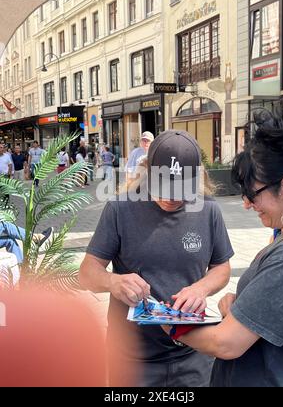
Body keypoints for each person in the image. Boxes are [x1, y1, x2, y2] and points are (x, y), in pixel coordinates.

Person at [79, 130, 234, 387]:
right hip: (131, 359)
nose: (171, 198)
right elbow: (87, 273)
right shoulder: (120, 209)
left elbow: (222, 267)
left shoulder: (208, 210)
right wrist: (113, 282)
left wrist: (201, 288)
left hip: (193, 353)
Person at [161, 107, 283, 387]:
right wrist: (238, 308)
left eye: (252, 193)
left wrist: (168, 322)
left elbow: (226, 343)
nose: (247, 204)